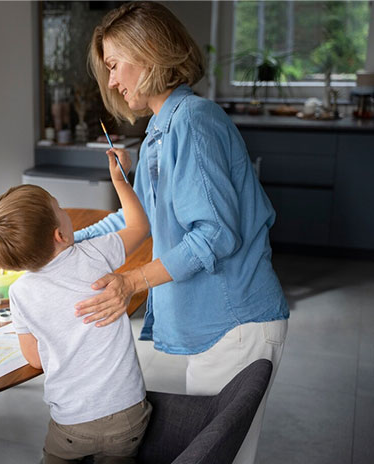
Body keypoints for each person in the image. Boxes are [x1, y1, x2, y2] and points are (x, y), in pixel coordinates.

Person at [72, 3, 289, 464]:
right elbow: (139, 222)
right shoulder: (160, 130)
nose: (111, 81)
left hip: (237, 323)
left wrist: (131, 281)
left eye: (114, 65)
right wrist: (66, 244)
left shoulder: (190, 121)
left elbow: (214, 235)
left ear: (148, 52)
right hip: (221, 327)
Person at [0, 148, 152, 463]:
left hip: (71, 423)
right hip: (127, 415)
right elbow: (140, 227)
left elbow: (34, 359)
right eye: (60, 208)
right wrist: (120, 181)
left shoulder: (20, 293)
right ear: (59, 234)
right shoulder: (94, 254)